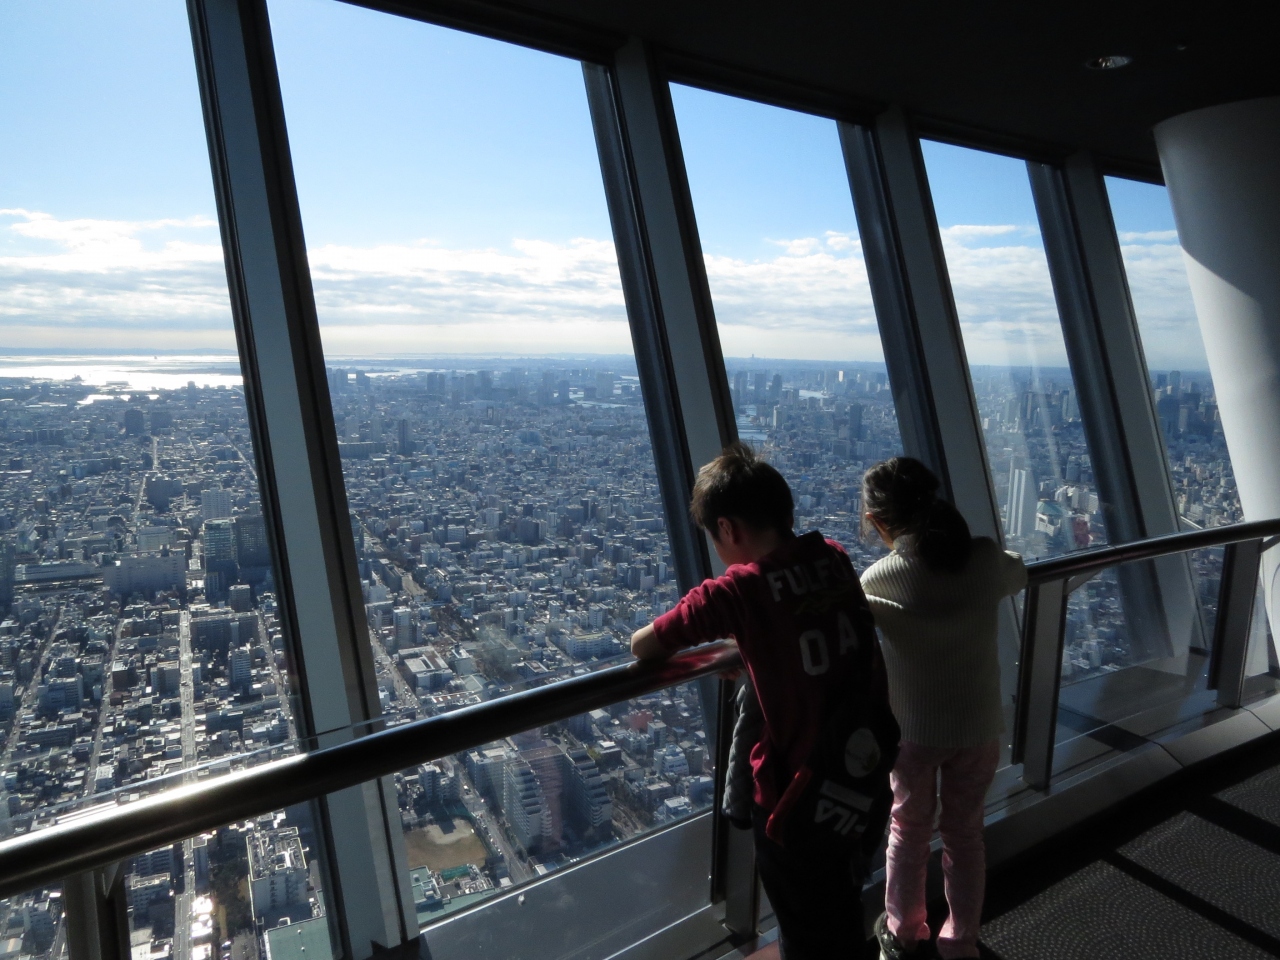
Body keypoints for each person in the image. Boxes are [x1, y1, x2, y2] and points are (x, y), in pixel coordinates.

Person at [631, 442, 889, 960]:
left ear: (728, 529)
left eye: (714, 536)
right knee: (838, 910)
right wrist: (750, 653)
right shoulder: (833, 556)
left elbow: (646, 645)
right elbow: (810, 632)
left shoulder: (738, 591)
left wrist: (737, 644)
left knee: (804, 928)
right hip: (863, 770)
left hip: (796, 793)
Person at [859, 457, 1026, 960]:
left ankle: (904, 933)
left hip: (914, 731)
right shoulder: (981, 558)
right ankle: (962, 940)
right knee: (965, 834)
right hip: (979, 727)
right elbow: (1017, 572)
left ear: (878, 522)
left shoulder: (879, 578)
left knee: (907, 831)